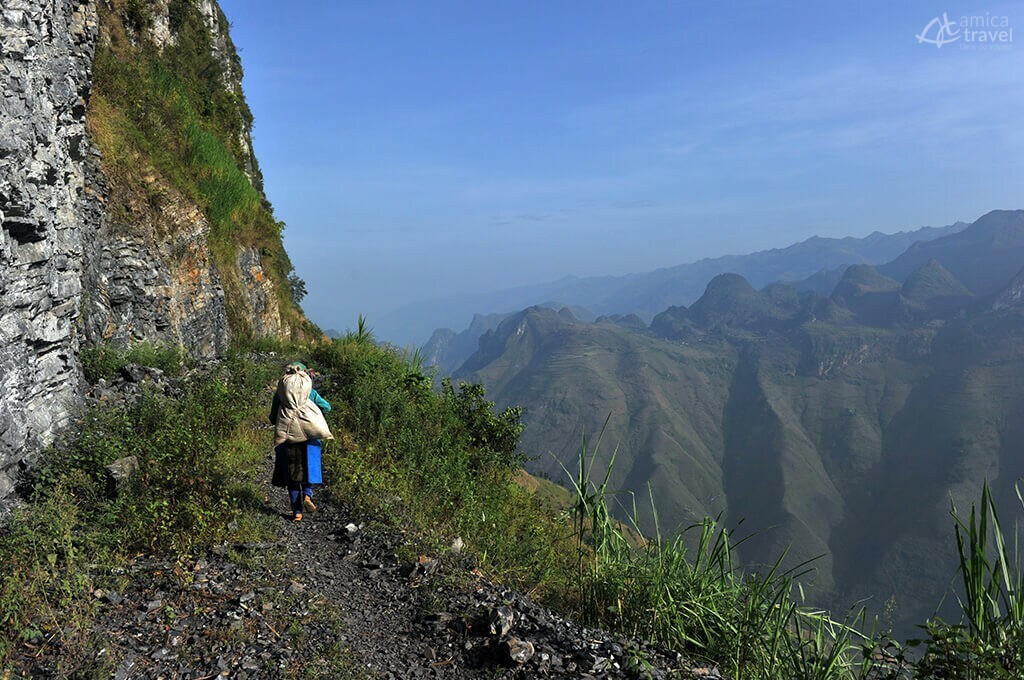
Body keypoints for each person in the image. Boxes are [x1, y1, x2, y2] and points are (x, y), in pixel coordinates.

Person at [269, 362, 333, 521]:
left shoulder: (281, 394)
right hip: (310, 438)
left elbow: (272, 418)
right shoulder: (310, 393)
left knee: (293, 474)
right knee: (308, 468)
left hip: (289, 438)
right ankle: (308, 496)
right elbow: (327, 407)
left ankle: (297, 512)